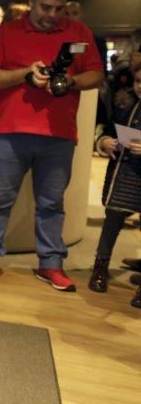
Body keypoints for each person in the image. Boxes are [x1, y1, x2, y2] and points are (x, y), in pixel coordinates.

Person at [0, 0, 104, 291]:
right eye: (45, 7)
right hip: (10, 131)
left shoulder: (78, 32)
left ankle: (51, 264)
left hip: (59, 134)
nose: (52, 15)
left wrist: (70, 81)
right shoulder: (6, 32)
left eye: (59, 9)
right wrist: (24, 74)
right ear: (31, 1)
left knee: (52, 203)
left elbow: (96, 76)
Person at [89, 59, 141, 309]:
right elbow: (108, 129)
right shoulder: (125, 103)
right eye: (139, 81)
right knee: (112, 220)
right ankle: (100, 265)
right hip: (124, 173)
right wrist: (105, 141)